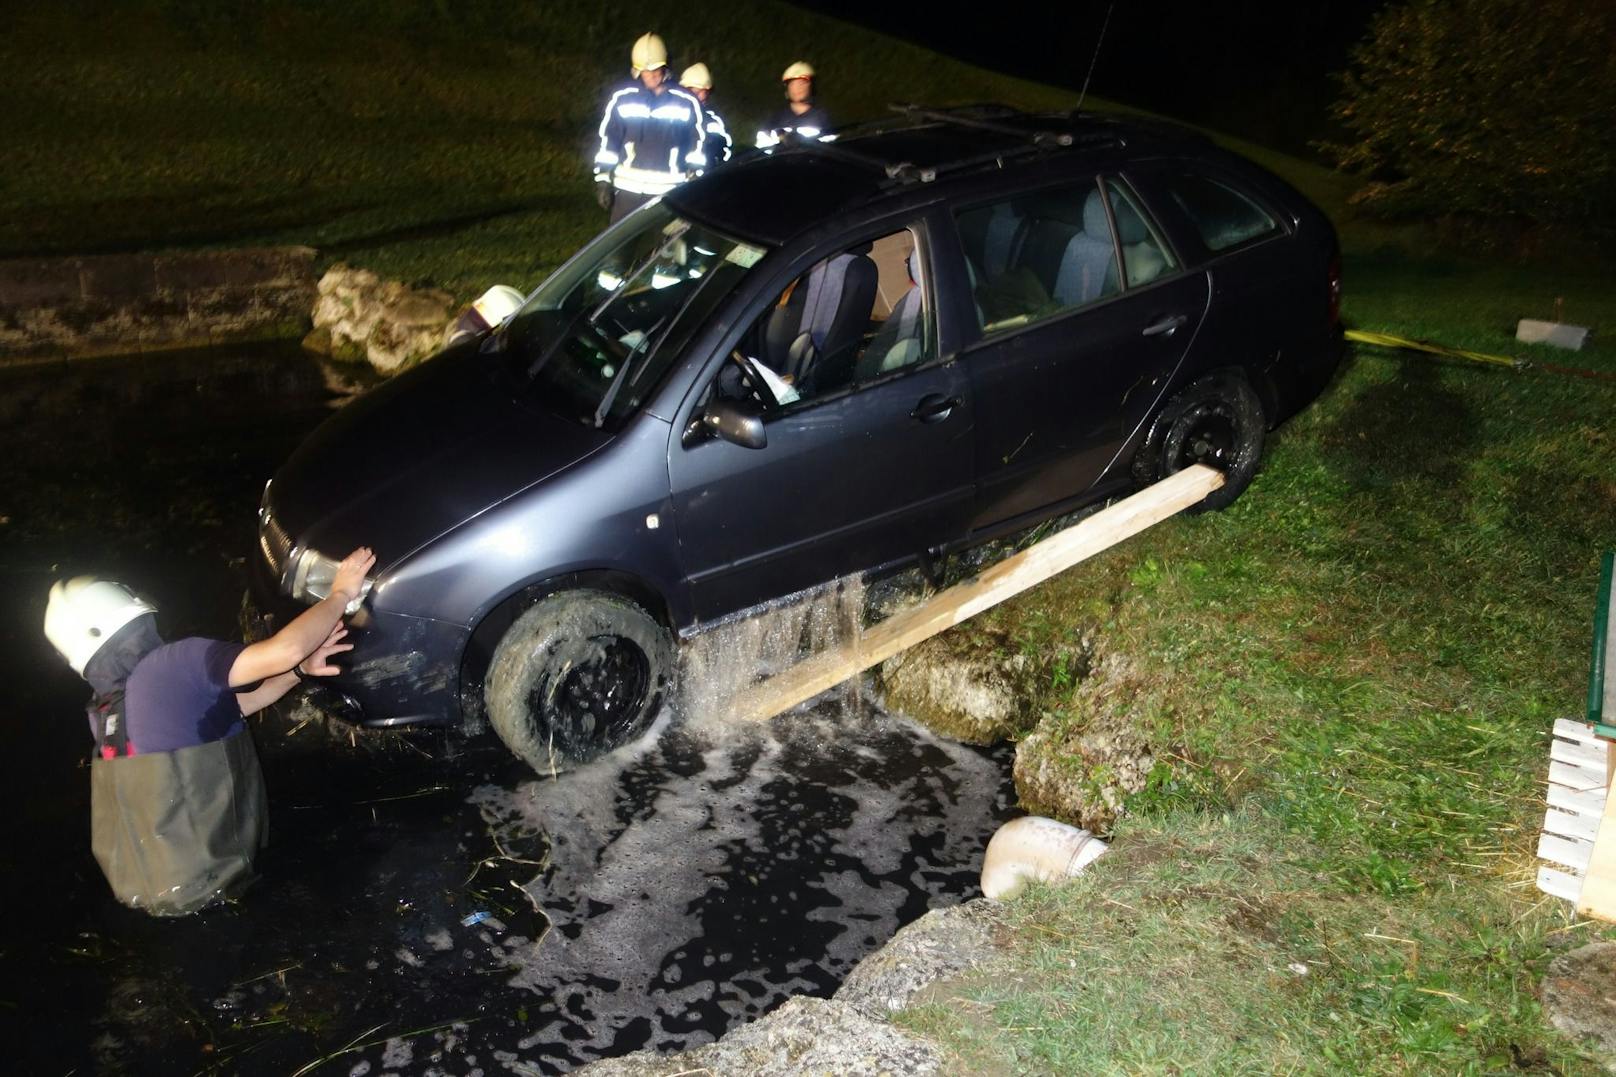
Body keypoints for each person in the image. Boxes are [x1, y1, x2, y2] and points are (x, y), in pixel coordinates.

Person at [43, 546, 376, 916]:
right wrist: (341, 593)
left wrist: (298, 672)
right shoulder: (174, 663)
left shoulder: (106, 709)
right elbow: (285, 649)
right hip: (218, 880)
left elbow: (225, 713)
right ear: (131, 607)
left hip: (157, 891)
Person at [592, 33, 707, 223]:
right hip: (627, 191)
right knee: (621, 250)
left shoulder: (686, 102)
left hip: (668, 192)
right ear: (637, 71)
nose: (651, 76)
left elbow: (697, 144)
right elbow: (608, 140)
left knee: (663, 249)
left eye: (656, 70)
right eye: (646, 71)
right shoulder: (622, 98)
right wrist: (603, 179)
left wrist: (694, 178)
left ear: (666, 68)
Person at [756, 60, 833, 148]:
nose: (798, 88)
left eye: (802, 83)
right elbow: (762, 148)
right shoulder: (776, 118)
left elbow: (829, 149)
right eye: (793, 84)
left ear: (810, 87)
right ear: (787, 89)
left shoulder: (822, 117)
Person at [678, 63, 733, 167]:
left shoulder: (714, 119)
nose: (701, 96)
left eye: (703, 92)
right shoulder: (677, 113)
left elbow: (725, 150)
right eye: (696, 92)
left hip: (706, 176)